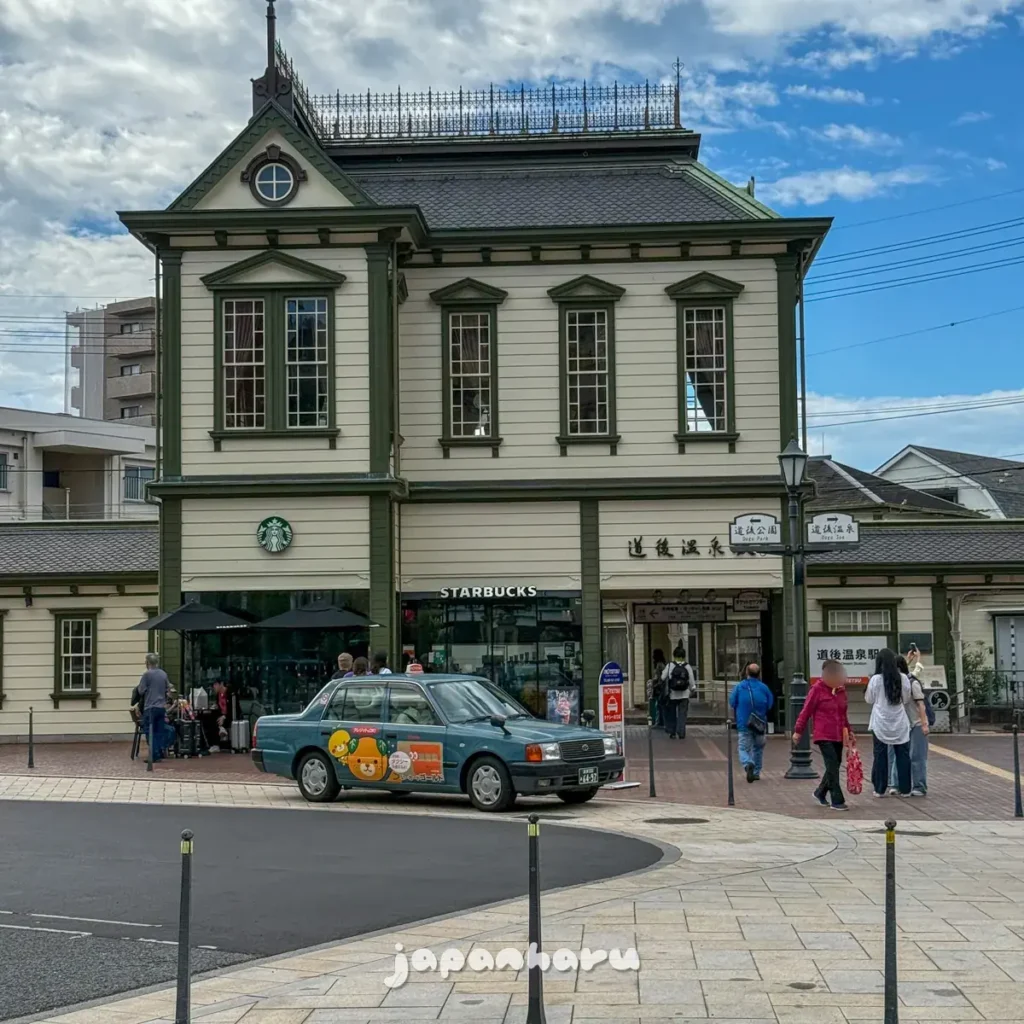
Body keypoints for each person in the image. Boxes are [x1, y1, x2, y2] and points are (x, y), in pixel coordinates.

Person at [793, 659, 853, 810]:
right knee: (832, 765)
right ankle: (837, 800)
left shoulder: (841, 690)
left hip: (838, 734)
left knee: (835, 764)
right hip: (823, 734)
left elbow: (843, 714)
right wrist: (798, 730)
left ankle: (820, 792)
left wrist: (849, 731)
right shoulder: (817, 689)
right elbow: (806, 711)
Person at [865, 648, 914, 797]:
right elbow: (906, 699)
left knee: (880, 755)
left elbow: (869, 699)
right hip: (899, 721)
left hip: (880, 722)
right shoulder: (903, 678)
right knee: (903, 755)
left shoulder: (875, 679)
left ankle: (880, 789)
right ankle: (905, 789)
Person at [888, 654, 929, 796]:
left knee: (917, 756)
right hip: (901, 725)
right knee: (897, 755)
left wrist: (924, 724)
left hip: (916, 723)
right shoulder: (894, 683)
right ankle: (896, 784)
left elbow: (921, 704)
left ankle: (919, 786)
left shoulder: (912, 683)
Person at [729, 662, 774, 783]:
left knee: (743, 748)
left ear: (746, 672)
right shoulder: (764, 688)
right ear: (759, 674)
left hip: (744, 723)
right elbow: (770, 704)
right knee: (758, 748)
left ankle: (748, 763)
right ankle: (756, 772)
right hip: (760, 723)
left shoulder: (740, 687)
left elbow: (732, 702)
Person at [137, 653, 171, 761]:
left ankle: (154, 755)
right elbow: (168, 689)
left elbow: (141, 690)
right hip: (161, 707)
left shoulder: (147, 675)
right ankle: (159, 751)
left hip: (150, 707)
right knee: (159, 731)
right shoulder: (163, 674)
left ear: (148, 662)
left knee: (149, 731)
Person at [661, 645, 694, 739]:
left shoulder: (670, 665)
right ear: (684, 656)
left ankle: (672, 732)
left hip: (672, 694)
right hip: (684, 694)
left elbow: (662, 677)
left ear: (674, 655)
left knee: (672, 713)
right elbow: (691, 680)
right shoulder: (687, 666)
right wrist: (692, 689)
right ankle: (681, 732)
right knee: (682, 714)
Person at [647, 648, 666, 727]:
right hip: (661, 687)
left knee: (659, 705)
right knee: (660, 705)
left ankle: (659, 722)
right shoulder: (662, 664)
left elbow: (659, 678)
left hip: (660, 688)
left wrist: (655, 684)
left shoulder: (659, 665)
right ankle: (661, 722)